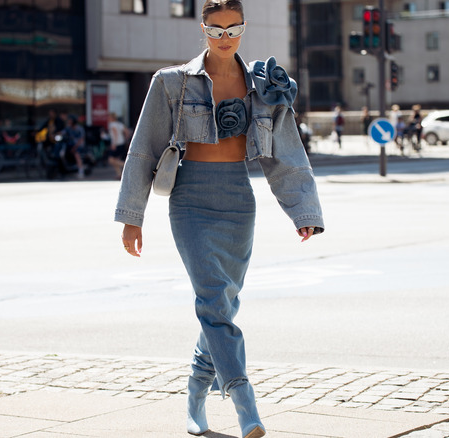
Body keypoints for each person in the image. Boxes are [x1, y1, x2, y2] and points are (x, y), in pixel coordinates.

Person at [115, 1, 324, 437]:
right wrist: (133, 217)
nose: (225, 37)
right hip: (190, 199)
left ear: (243, 30)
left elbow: (285, 152)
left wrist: (302, 212)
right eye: (216, 29)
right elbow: (143, 150)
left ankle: (195, 391)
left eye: (234, 29)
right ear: (203, 29)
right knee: (213, 300)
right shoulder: (171, 82)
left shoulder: (264, 86)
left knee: (222, 306)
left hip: (238, 199)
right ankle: (244, 400)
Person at [107, 112, 129, 179]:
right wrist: (125, 139)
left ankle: (126, 165)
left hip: (116, 144)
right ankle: (119, 174)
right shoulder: (120, 124)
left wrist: (114, 143)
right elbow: (127, 132)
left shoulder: (112, 124)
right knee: (115, 159)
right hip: (121, 143)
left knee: (111, 160)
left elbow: (115, 134)